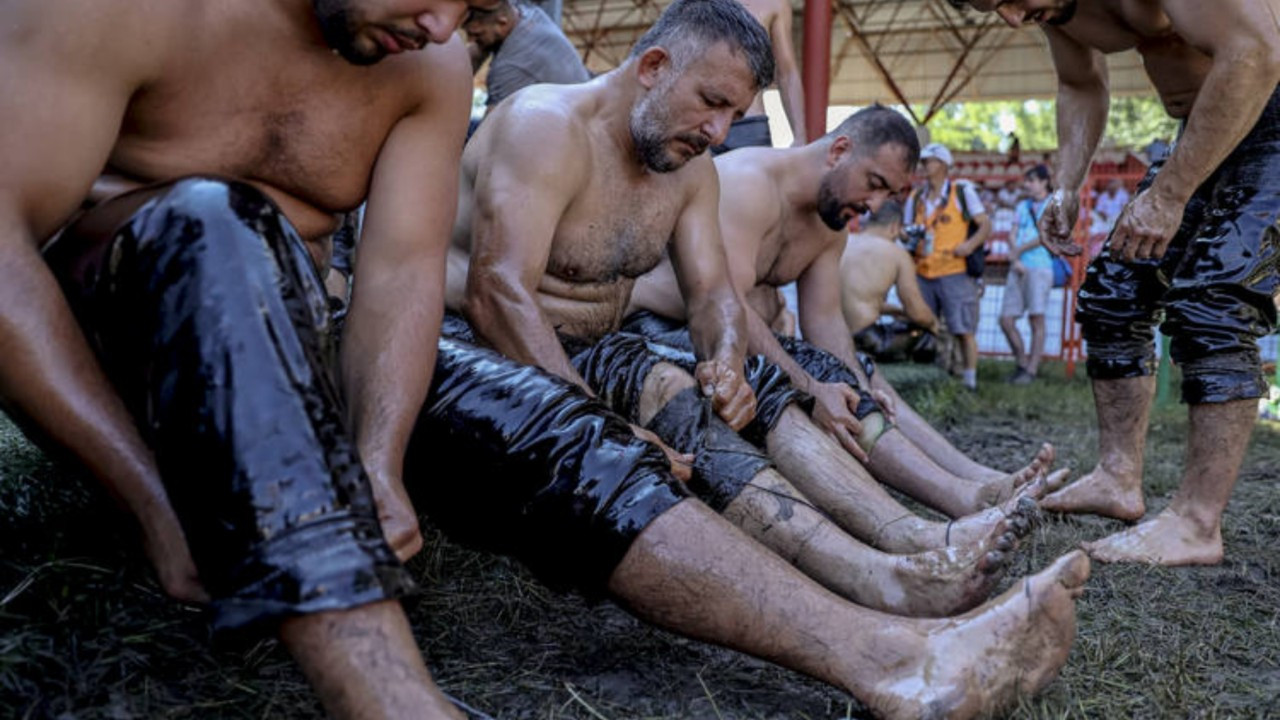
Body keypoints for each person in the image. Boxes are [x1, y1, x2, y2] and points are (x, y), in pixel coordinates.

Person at [420, 3, 1088, 715]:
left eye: (731, 112)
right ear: (651, 68)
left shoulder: (692, 170)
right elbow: (499, 294)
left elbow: (714, 298)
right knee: (612, 436)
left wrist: (728, 361)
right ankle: (890, 646)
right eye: (710, 104)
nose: (717, 131)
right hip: (477, 340)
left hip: (600, 343)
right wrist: (599, 417)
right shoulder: (543, 126)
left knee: (719, 385)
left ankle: (894, 571)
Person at [0, 0, 511, 717]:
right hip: (126, 360)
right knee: (213, 225)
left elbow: (401, 273)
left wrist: (377, 463)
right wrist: (149, 502)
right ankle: (398, 706)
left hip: (304, 337)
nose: (441, 23)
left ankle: (733, 585)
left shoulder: (430, 58)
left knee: (528, 419)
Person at [957, 0, 1280, 566]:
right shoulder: (1053, 10)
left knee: (1213, 297)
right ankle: (1117, 478)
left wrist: (1171, 194)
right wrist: (1065, 184)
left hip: (1268, 102)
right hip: (1208, 124)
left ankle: (1196, 524)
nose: (1009, 18)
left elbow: (1255, 53)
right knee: (1113, 293)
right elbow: (1080, 85)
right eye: (991, 8)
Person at [628, 106, 1063, 519]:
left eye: (888, 194)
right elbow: (728, 308)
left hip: (726, 334)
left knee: (858, 376)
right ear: (839, 151)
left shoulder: (830, 223)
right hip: (656, 329)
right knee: (805, 375)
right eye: (873, 182)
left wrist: (854, 384)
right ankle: (961, 500)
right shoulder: (749, 182)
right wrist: (813, 388)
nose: (875, 205)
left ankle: (981, 478)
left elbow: (826, 322)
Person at [903, 143, 992, 391]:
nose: (924, 166)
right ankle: (929, 376)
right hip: (923, 271)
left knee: (963, 328)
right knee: (923, 326)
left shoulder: (961, 192)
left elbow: (985, 225)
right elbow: (906, 230)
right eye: (923, 162)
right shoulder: (916, 197)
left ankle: (969, 381)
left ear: (943, 164)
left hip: (955, 270)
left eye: (929, 161)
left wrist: (969, 245)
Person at [710, 0, 806, 153]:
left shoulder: (774, 4)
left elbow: (786, 72)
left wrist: (801, 136)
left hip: (748, 125)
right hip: (701, 122)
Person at [464, 0, 589, 115]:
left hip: (571, 124)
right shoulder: (524, 10)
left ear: (502, 23)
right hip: (584, 105)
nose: (471, 40)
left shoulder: (509, 67)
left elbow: (490, 134)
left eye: (477, 34)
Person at [840, 200, 941, 338]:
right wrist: (933, 324)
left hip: (828, 332)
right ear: (894, 227)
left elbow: (859, 298)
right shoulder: (896, 253)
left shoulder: (843, 242)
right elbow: (917, 311)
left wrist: (899, 312)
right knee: (926, 334)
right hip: (863, 336)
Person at [1000, 163, 1056, 385]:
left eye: (1032, 181)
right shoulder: (1022, 206)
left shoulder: (1053, 204)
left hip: (1040, 266)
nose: (1028, 185)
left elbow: (1046, 236)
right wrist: (1015, 258)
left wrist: (1017, 252)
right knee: (1006, 319)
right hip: (1019, 267)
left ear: (1044, 182)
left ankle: (1031, 370)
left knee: (1036, 319)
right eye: (1027, 181)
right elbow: (1012, 233)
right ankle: (1022, 363)